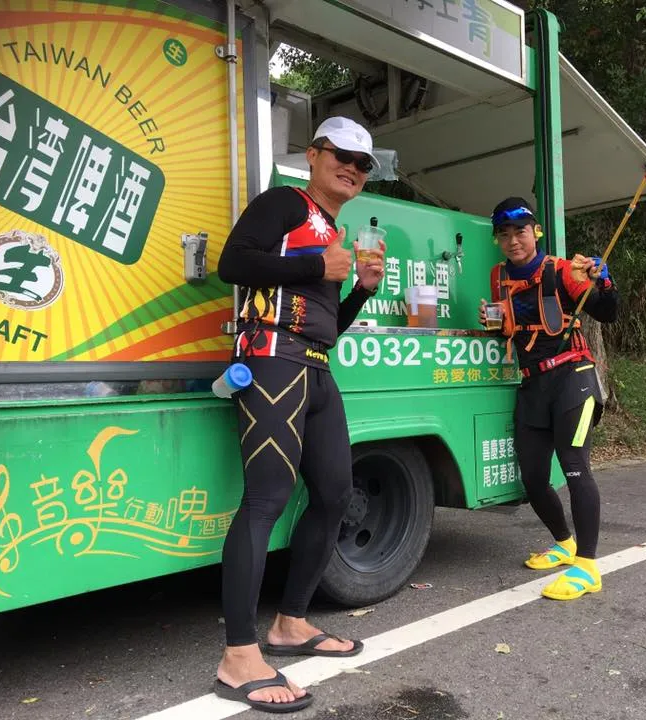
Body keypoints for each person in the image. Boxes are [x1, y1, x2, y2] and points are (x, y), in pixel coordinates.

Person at [213, 116, 386, 713]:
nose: (354, 169)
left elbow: (328, 327)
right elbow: (233, 264)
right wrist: (318, 268)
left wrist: (358, 287)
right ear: (313, 155)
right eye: (342, 156)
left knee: (336, 493)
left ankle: (290, 624)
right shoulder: (284, 204)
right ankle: (238, 656)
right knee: (265, 499)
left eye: (364, 165)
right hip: (270, 362)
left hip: (315, 368)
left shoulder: (331, 231)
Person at [480, 197, 618, 601]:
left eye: (520, 231)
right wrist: (492, 323)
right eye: (504, 235)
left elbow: (608, 312)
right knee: (534, 478)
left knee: (575, 467)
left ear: (535, 232)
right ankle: (565, 542)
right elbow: (508, 328)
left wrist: (604, 281)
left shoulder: (562, 270)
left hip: (572, 378)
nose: (513, 241)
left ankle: (588, 566)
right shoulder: (498, 277)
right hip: (532, 385)